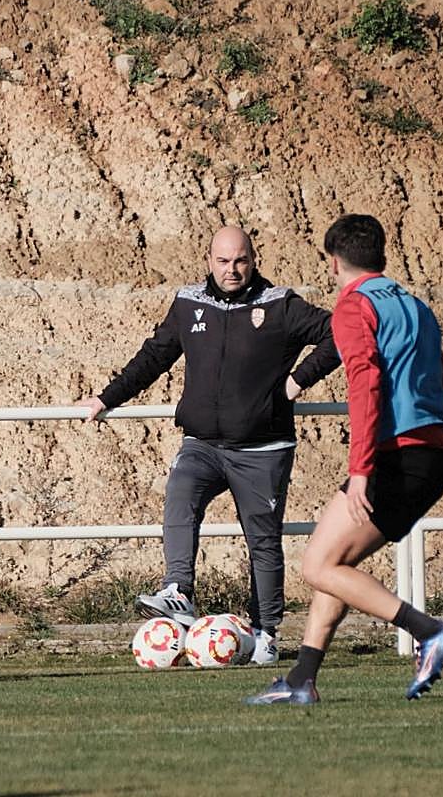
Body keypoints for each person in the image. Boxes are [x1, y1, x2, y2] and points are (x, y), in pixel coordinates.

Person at [77, 226, 339, 663]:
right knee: (181, 491)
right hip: (203, 443)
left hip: (263, 448)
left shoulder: (281, 306)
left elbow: (340, 334)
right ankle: (179, 590)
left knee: (263, 540)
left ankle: (266, 632)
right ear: (209, 259)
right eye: (223, 261)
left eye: (240, 260)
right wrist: (107, 398)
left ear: (253, 259)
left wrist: (299, 380)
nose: (232, 270)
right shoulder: (188, 303)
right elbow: (154, 356)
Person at [247, 214, 443, 704]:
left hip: (394, 458)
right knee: (333, 561)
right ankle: (302, 679)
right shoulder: (415, 305)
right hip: (433, 456)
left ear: (334, 260)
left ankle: (429, 632)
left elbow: (365, 386)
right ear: (382, 255)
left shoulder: (353, 307)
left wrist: (361, 470)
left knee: (317, 565)